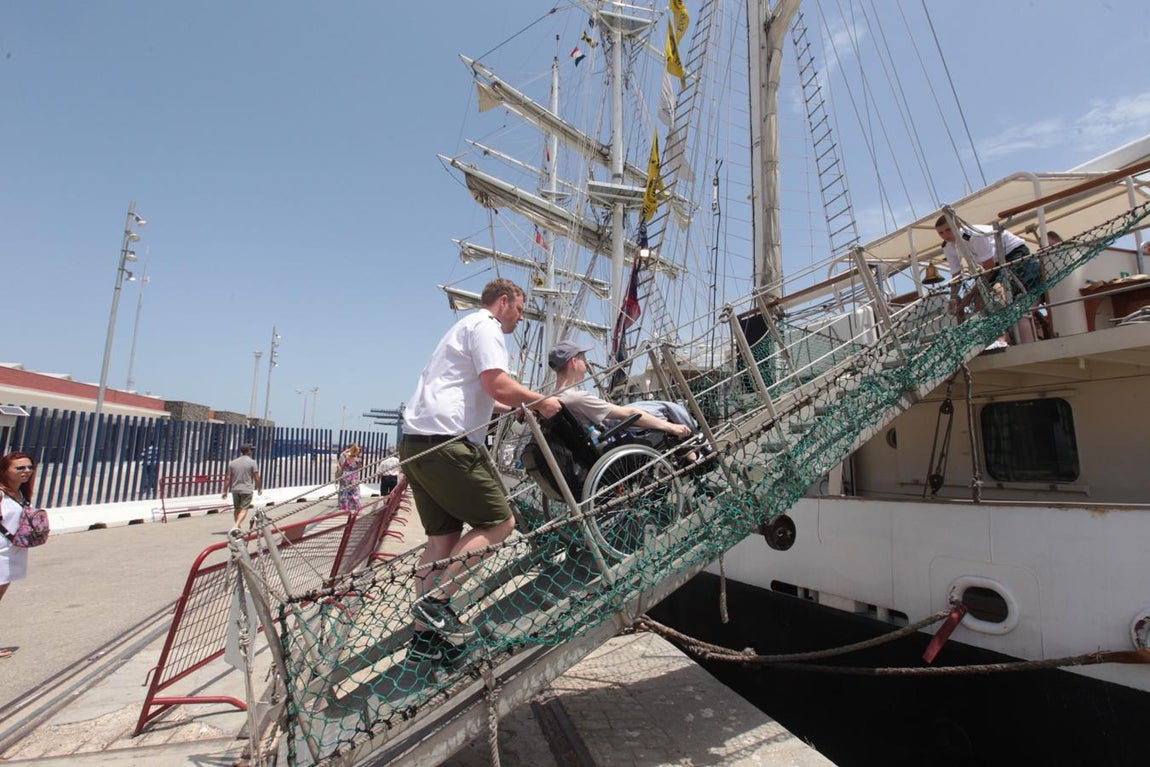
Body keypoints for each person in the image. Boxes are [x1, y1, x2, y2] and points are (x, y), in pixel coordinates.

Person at [400, 278, 561, 663]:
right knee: (500, 523)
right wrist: (542, 401)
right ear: (503, 302)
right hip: (448, 445)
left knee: (442, 538)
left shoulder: (462, 328)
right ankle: (437, 602)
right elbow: (498, 384)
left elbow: (481, 394)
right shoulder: (487, 327)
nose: (521, 318)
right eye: (520, 310)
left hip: (415, 443)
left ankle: (423, 636)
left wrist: (514, 407)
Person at [548, 340, 693, 443]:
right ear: (574, 362)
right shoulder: (577, 398)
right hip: (612, 443)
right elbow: (630, 415)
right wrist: (672, 427)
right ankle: (695, 441)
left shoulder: (555, 398)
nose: (586, 363)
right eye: (583, 359)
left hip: (595, 445)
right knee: (663, 411)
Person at [935, 215, 1039, 345]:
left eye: (948, 230)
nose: (945, 235)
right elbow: (956, 273)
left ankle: (1001, 338)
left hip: (1013, 255)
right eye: (941, 233)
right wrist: (953, 297)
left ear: (958, 226)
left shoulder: (974, 235)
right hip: (994, 265)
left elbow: (989, 266)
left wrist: (970, 294)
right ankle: (987, 338)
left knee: (999, 291)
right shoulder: (948, 247)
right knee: (980, 298)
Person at [0, 452, 37, 659]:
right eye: (20, 468)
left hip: (13, 552)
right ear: (5, 470)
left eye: (29, 467)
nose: (26, 472)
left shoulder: (21, 494)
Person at [221, 444, 262, 530]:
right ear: (248, 451)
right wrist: (259, 488)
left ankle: (237, 527)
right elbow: (256, 477)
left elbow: (228, 478)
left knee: (237, 508)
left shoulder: (233, 462)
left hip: (235, 489)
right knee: (244, 509)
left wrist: (225, 491)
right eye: (251, 450)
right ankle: (236, 525)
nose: (252, 451)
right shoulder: (252, 462)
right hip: (247, 489)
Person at [336, 443, 362, 513]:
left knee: (345, 493)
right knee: (355, 492)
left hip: (345, 476)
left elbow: (342, 467)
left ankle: (346, 508)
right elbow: (360, 467)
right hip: (354, 477)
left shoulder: (347, 458)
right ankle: (357, 508)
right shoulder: (357, 460)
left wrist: (349, 450)